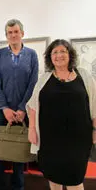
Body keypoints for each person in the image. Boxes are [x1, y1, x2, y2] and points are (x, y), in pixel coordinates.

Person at [27, 39, 96, 190]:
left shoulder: (84, 76)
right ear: (50, 57)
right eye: (55, 52)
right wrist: (32, 129)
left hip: (78, 140)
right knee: (54, 177)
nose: (59, 55)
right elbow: (32, 106)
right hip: (50, 140)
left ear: (70, 54)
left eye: (63, 51)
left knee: (75, 180)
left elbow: (94, 105)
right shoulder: (44, 79)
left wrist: (95, 131)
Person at [0, 19, 39, 190]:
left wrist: (21, 108)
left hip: (22, 112)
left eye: (16, 32)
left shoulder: (32, 55)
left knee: (19, 151)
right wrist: (4, 108)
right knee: (0, 150)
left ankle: (18, 186)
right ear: (6, 36)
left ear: (22, 34)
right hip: (0, 112)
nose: (13, 35)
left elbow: (33, 84)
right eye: (9, 33)